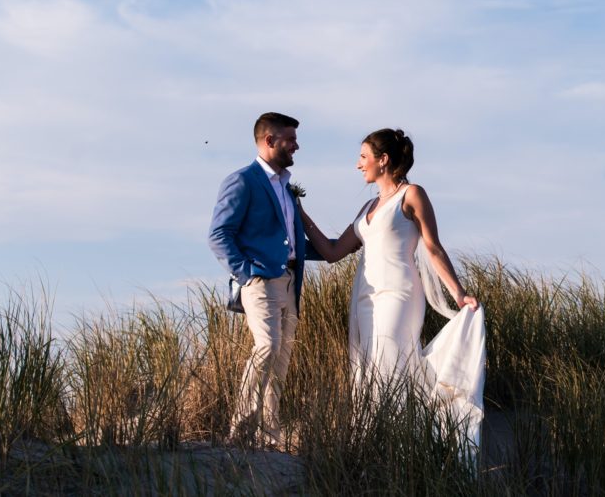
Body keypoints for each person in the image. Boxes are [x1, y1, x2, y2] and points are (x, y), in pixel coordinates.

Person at [299, 128, 486, 454]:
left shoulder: (412, 195)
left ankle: (404, 447)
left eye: (363, 157)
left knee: (390, 364)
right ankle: (376, 447)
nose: (358, 165)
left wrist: (458, 293)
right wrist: (299, 214)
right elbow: (332, 252)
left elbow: (433, 248)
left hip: (399, 293)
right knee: (367, 371)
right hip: (364, 299)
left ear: (383, 160)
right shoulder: (368, 206)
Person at [208, 112, 323, 449]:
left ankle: (268, 435)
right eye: (290, 140)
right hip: (258, 280)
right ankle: (240, 429)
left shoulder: (287, 189)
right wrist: (246, 274)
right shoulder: (243, 180)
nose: (296, 146)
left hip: (289, 280)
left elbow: (291, 240)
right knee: (267, 346)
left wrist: (346, 246)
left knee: (282, 356)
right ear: (269, 141)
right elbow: (219, 234)